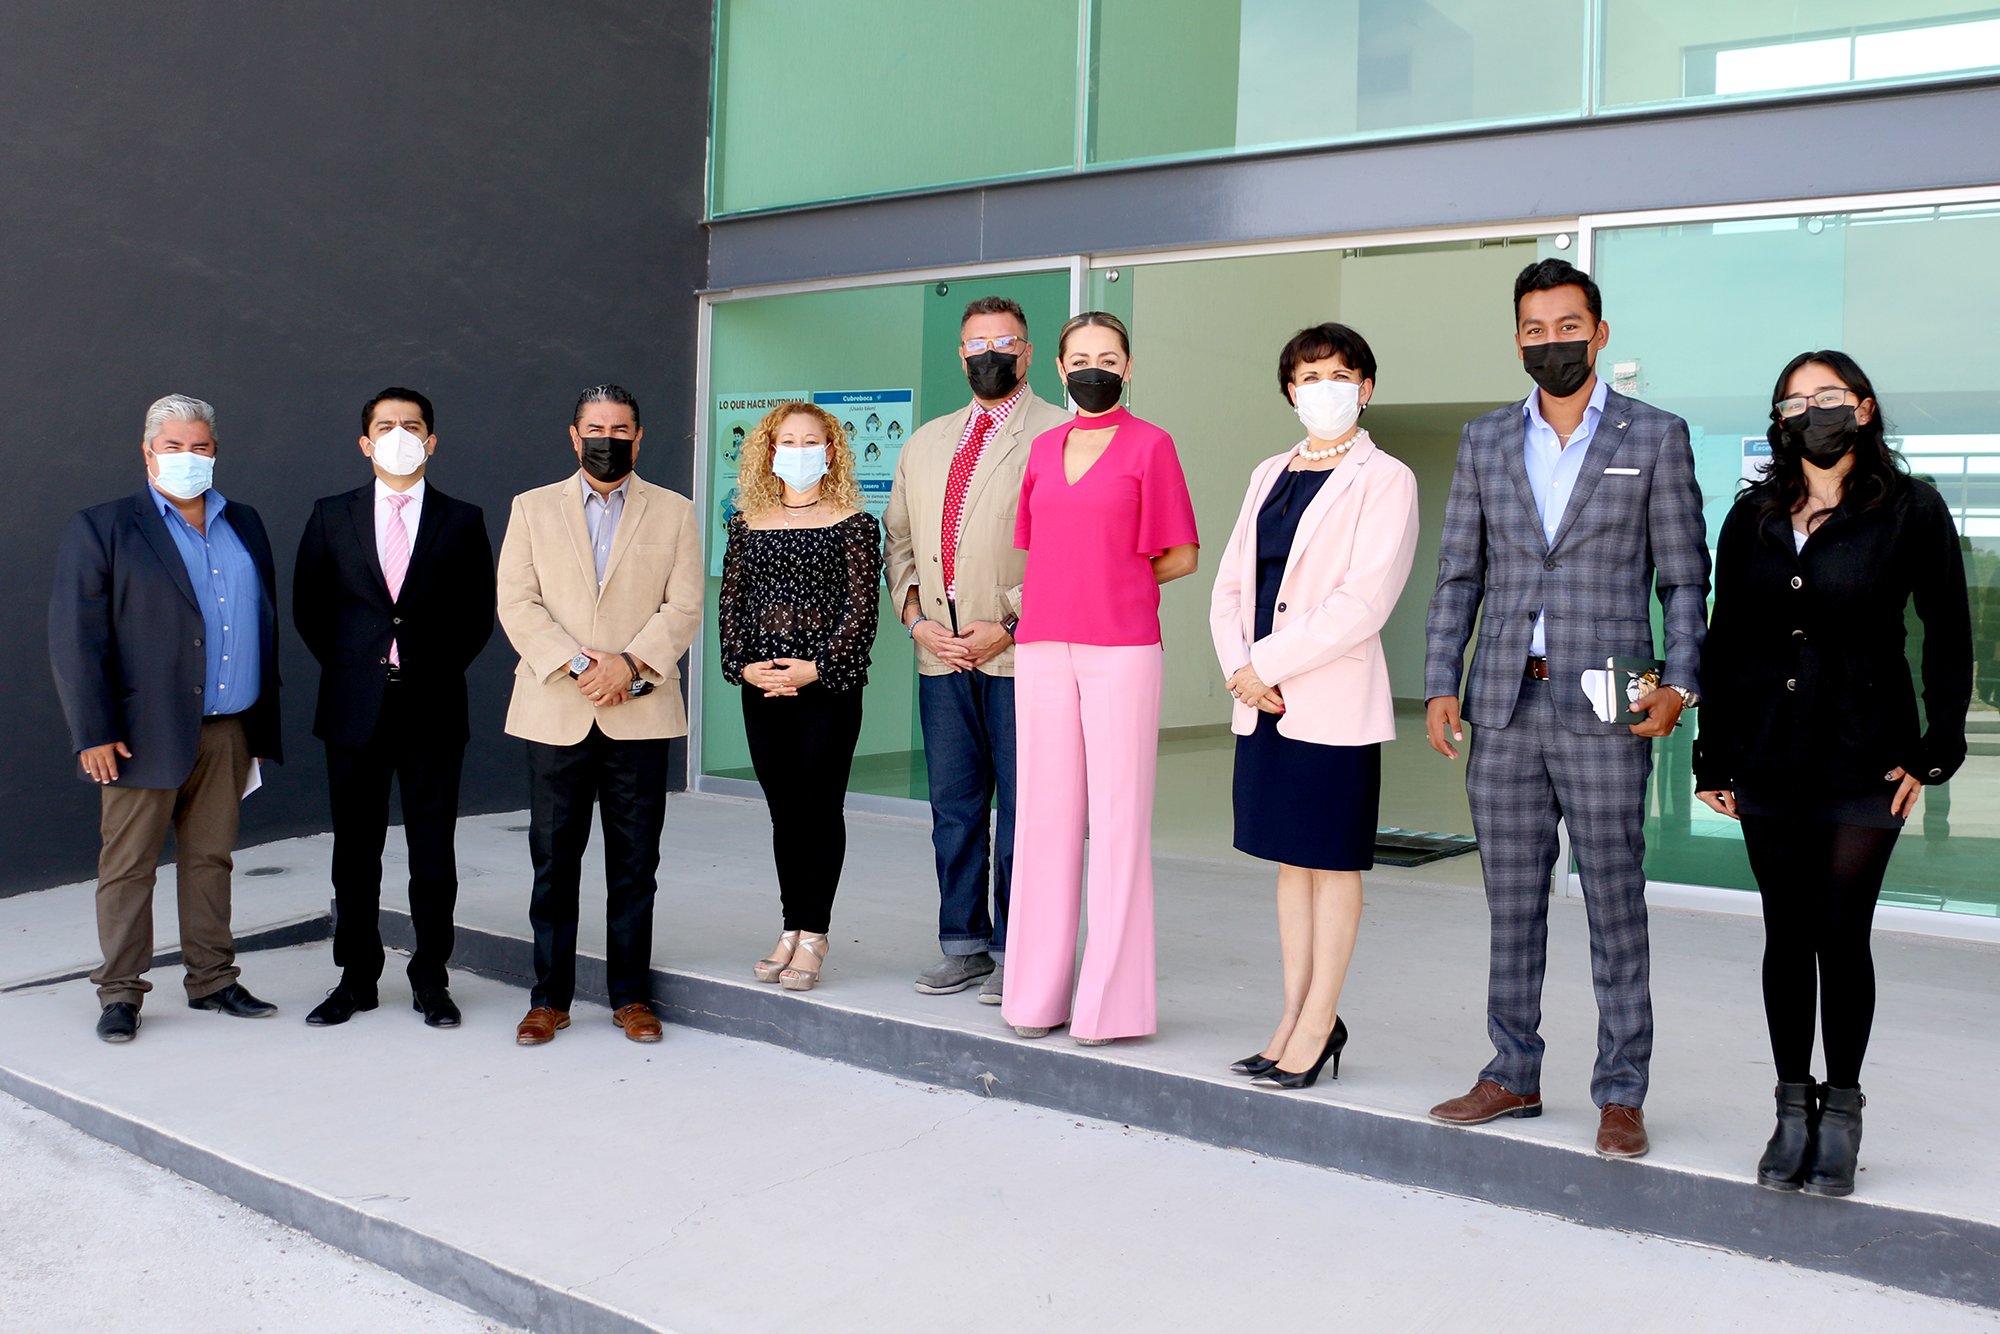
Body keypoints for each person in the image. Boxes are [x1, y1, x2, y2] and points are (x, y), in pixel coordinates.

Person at [1422, 259, 1709, 1158]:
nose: (1552, 342)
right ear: (1518, 339)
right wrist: (1441, 679)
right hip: (1505, 703)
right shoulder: (1484, 440)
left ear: (1600, 332)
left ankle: (1622, 1093)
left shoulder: (1654, 435)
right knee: (1513, 902)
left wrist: (1681, 683)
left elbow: (1684, 578)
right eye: (1535, 330)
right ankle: (1512, 1072)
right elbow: (1459, 572)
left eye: (1569, 326)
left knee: (1615, 902)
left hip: (1607, 710)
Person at [1694, 352, 1970, 1198]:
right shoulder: (1753, 515)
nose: (1812, 411)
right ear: (1779, 420)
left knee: (1842, 934)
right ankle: (1791, 1107)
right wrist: (1713, 750)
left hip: (1863, 754)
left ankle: (1841, 1111)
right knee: (1786, 934)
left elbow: (1948, 630)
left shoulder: (1912, 508)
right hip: (1767, 751)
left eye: (1829, 396)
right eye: (1795, 401)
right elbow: (1727, 636)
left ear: (1864, 408)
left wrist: (1936, 745)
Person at [1209, 324, 1419, 1089]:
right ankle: (1292, 1016)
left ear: (1365, 387)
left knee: (1330, 862)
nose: (1322, 388)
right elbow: (1231, 585)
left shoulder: (1386, 478)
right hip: (1263, 701)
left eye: (1338, 374)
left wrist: (1260, 664)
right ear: (1289, 391)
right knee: (1290, 864)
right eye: (1307, 377)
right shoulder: (1268, 472)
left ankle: (1321, 1019)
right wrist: (1238, 669)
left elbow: (1362, 602)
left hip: (1328, 699)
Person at [49, 394, 283, 1042]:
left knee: (211, 860)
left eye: (199, 446)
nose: (187, 456)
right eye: (173, 446)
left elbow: (261, 622)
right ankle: (120, 993)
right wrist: (93, 732)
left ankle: (213, 980)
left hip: (229, 728)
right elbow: (76, 639)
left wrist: (259, 728)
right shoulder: (104, 527)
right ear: (147, 452)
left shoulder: (244, 523)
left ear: (215, 452)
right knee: (128, 866)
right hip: (139, 733)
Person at [1002, 312, 1199, 1046]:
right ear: (1058, 368)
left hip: (1121, 646)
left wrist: (1118, 583)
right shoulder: (1042, 449)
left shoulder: (1152, 445)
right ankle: (1034, 996)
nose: (1094, 368)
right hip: (1041, 645)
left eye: (1108, 358)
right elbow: (1040, 548)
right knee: (1042, 819)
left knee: (1118, 822)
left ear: (1128, 367)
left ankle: (1109, 1008)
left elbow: (1180, 555)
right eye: (1080, 358)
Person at [496, 384, 702, 1046]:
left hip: (640, 711)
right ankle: (548, 999)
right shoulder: (531, 508)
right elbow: (517, 602)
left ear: (639, 438)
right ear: (574, 435)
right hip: (558, 708)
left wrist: (630, 666)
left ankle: (631, 996)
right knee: (554, 863)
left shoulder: (675, 512)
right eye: (595, 428)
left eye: (619, 430)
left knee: (635, 865)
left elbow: (684, 606)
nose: (606, 440)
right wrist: (583, 665)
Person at [883, 295, 1070, 1002]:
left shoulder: (1059, 432)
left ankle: (1019, 948)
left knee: (1026, 810)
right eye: (977, 344)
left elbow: (1069, 548)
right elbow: (899, 539)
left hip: (1022, 654)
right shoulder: (927, 441)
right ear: (960, 355)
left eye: (1004, 342)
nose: (989, 354)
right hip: (941, 654)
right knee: (955, 808)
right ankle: (963, 945)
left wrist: (1010, 622)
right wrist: (915, 619)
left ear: (1027, 353)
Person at [293, 388, 495, 1029]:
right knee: (355, 852)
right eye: (386, 426)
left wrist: (428, 667)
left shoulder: (462, 518)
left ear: (431, 441)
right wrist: (359, 667)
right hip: (355, 707)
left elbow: (477, 613)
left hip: (432, 704)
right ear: (365, 443)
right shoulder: (332, 514)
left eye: (412, 425)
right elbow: (310, 607)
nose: (399, 435)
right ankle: (356, 978)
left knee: (433, 853)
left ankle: (431, 979)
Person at [720, 403, 882, 993]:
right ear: (770, 451)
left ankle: (815, 933)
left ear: (830, 451)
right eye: (786, 440)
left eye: (810, 441)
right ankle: (791, 925)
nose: (798, 450)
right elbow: (731, 605)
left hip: (827, 690)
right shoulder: (746, 522)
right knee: (783, 811)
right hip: (763, 688)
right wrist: (744, 666)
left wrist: (816, 669)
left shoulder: (856, 524)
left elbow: (861, 613)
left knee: (818, 809)